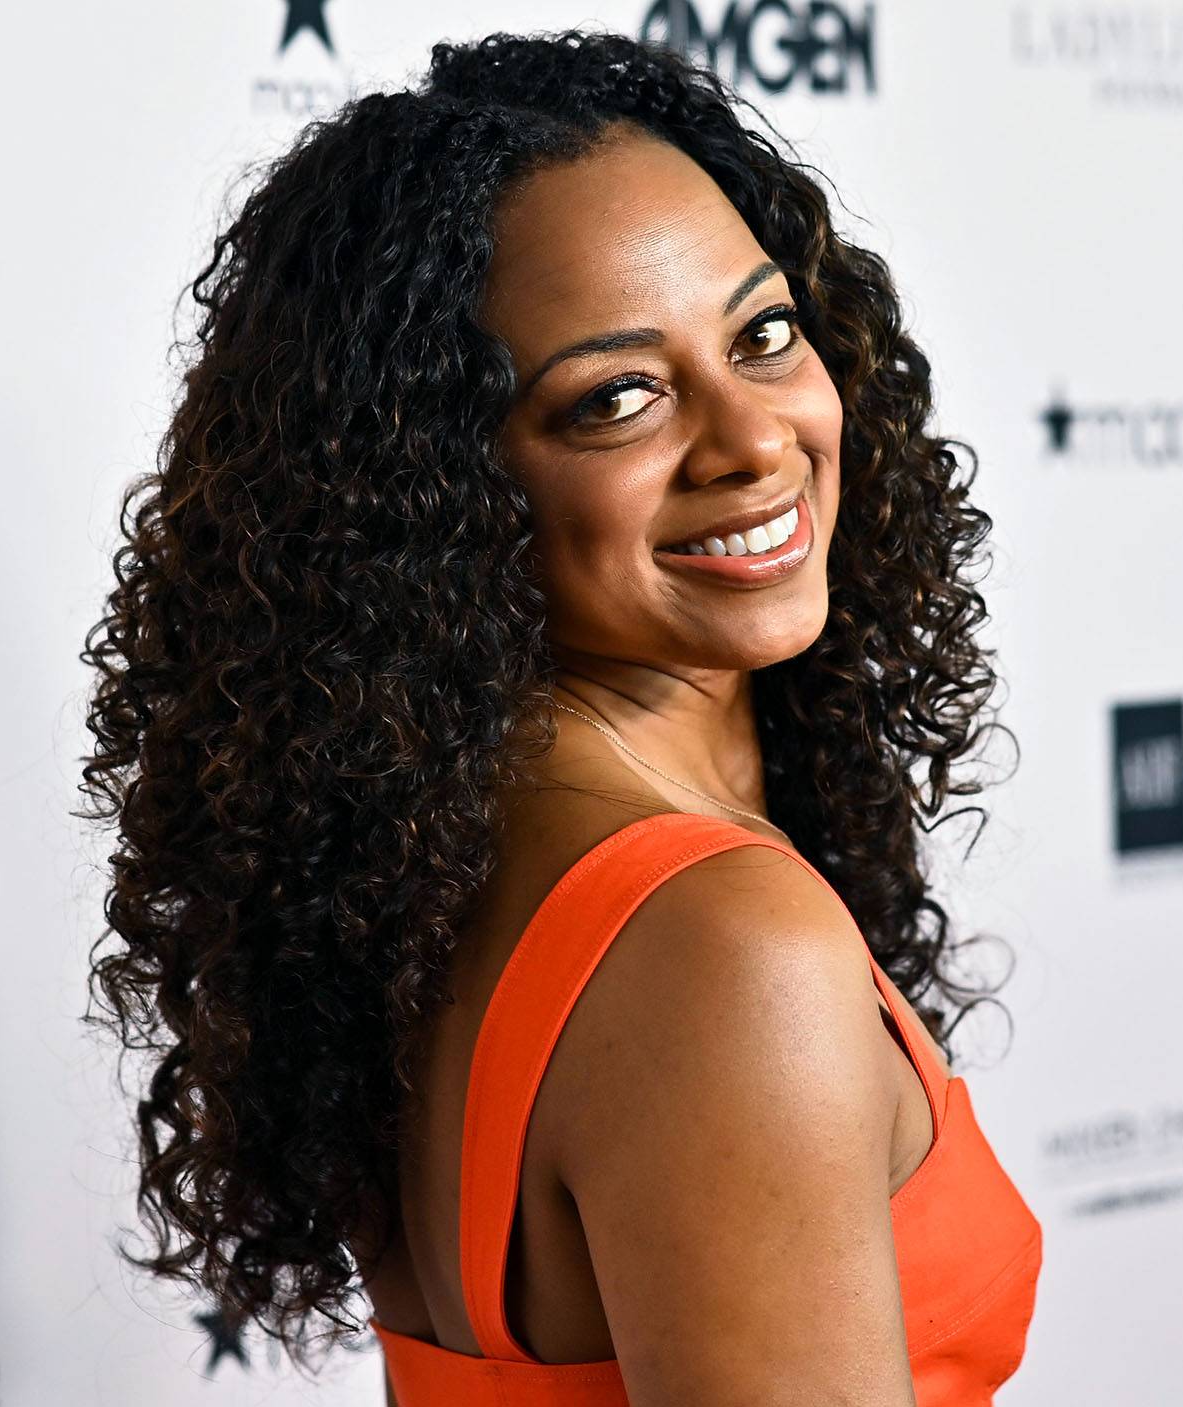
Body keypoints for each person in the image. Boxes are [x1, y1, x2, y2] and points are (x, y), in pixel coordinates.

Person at [80, 28, 1039, 1406]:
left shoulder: (430, 866)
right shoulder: (719, 945)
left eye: (764, 334)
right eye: (617, 398)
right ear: (439, 491)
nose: (754, 440)